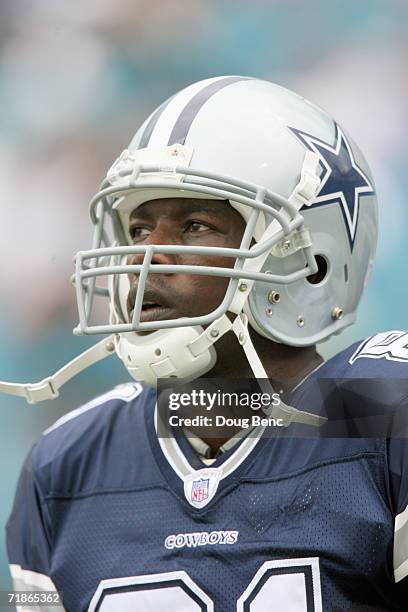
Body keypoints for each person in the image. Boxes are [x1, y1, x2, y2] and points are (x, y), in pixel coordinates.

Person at [3, 76, 408, 611]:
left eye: (194, 225)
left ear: (308, 264)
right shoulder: (67, 463)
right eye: (140, 229)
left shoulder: (384, 414)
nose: (148, 259)